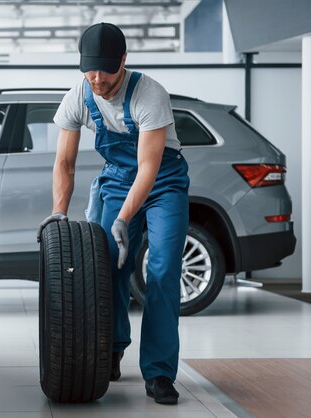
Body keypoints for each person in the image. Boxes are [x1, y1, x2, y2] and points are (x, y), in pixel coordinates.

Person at [37, 22, 189, 405]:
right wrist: (59, 211)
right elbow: (64, 163)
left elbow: (150, 167)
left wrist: (123, 218)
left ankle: (158, 373)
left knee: (163, 272)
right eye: (90, 69)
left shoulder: (149, 94)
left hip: (163, 184)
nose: (97, 78)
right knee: (105, 267)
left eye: (106, 69)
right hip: (118, 180)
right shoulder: (79, 94)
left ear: (124, 60)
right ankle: (111, 348)